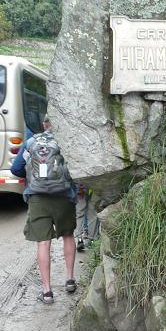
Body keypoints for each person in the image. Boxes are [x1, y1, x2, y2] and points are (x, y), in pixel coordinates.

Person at [11, 116, 78, 304]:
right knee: (68, 236)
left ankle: (47, 292)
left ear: (44, 124)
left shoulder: (30, 143)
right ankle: (70, 280)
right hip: (64, 196)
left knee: (43, 243)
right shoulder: (64, 142)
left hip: (38, 198)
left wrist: (32, 175)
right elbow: (76, 167)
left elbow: (16, 169)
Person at [75, 184, 99, 251]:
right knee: (92, 212)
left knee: (79, 213)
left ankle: (80, 239)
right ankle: (91, 240)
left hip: (79, 183)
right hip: (94, 183)